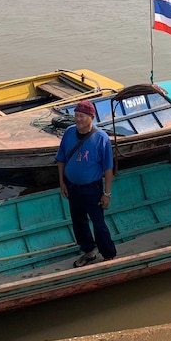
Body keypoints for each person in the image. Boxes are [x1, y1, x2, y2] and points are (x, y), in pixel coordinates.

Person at [56, 100, 117, 267]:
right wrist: (62, 182)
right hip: (72, 187)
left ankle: (108, 255)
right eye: (75, 116)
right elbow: (61, 159)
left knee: (98, 222)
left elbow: (108, 168)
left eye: (81, 116)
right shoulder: (69, 133)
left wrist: (107, 193)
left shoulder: (101, 138)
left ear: (91, 117)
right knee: (78, 221)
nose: (77, 119)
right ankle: (89, 252)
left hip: (92, 188)